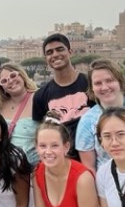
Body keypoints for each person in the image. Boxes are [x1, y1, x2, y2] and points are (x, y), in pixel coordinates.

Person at [32, 113, 99, 207]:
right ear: (36, 147)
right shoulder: (38, 173)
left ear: (66, 146)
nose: (48, 152)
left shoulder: (82, 179)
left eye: (55, 145)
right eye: (42, 146)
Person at [32, 33, 93, 161]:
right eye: (49, 52)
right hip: (63, 163)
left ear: (70, 52)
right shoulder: (40, 96)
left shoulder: (91, 84)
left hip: (93, 158)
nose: (55, 54)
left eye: (60, 49)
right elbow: (41, 131)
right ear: (46, 59)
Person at [0, 64, 39, 166]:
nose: (10, 81)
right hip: (8, 167)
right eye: (4, 81)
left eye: (13, 75)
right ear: (2, 87)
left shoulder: (39, 98)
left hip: (34, 166)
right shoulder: (0, 106)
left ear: (22, 75)